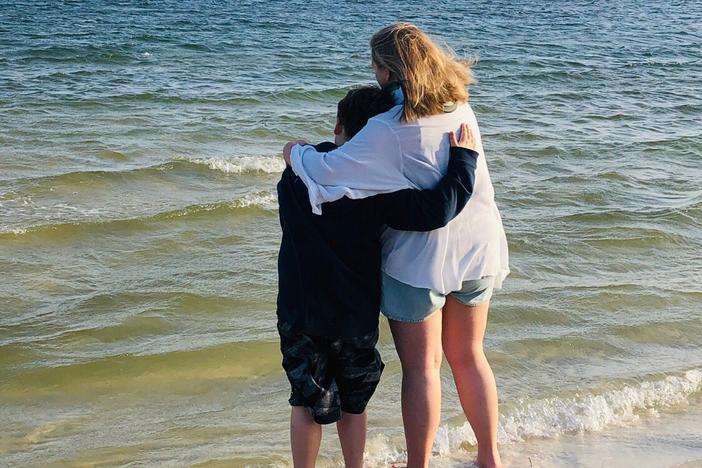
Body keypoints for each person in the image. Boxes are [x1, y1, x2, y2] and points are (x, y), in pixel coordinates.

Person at [283, 24, 509, 468]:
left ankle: (418, 465)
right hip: (479, 248)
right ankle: (490, 457)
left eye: (376, 68)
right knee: (469, 356)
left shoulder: (387, 130)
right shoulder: (460, 105)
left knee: (423, 369)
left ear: (387, 71)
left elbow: (328, 172)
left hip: (420, 260)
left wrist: (295, 153)